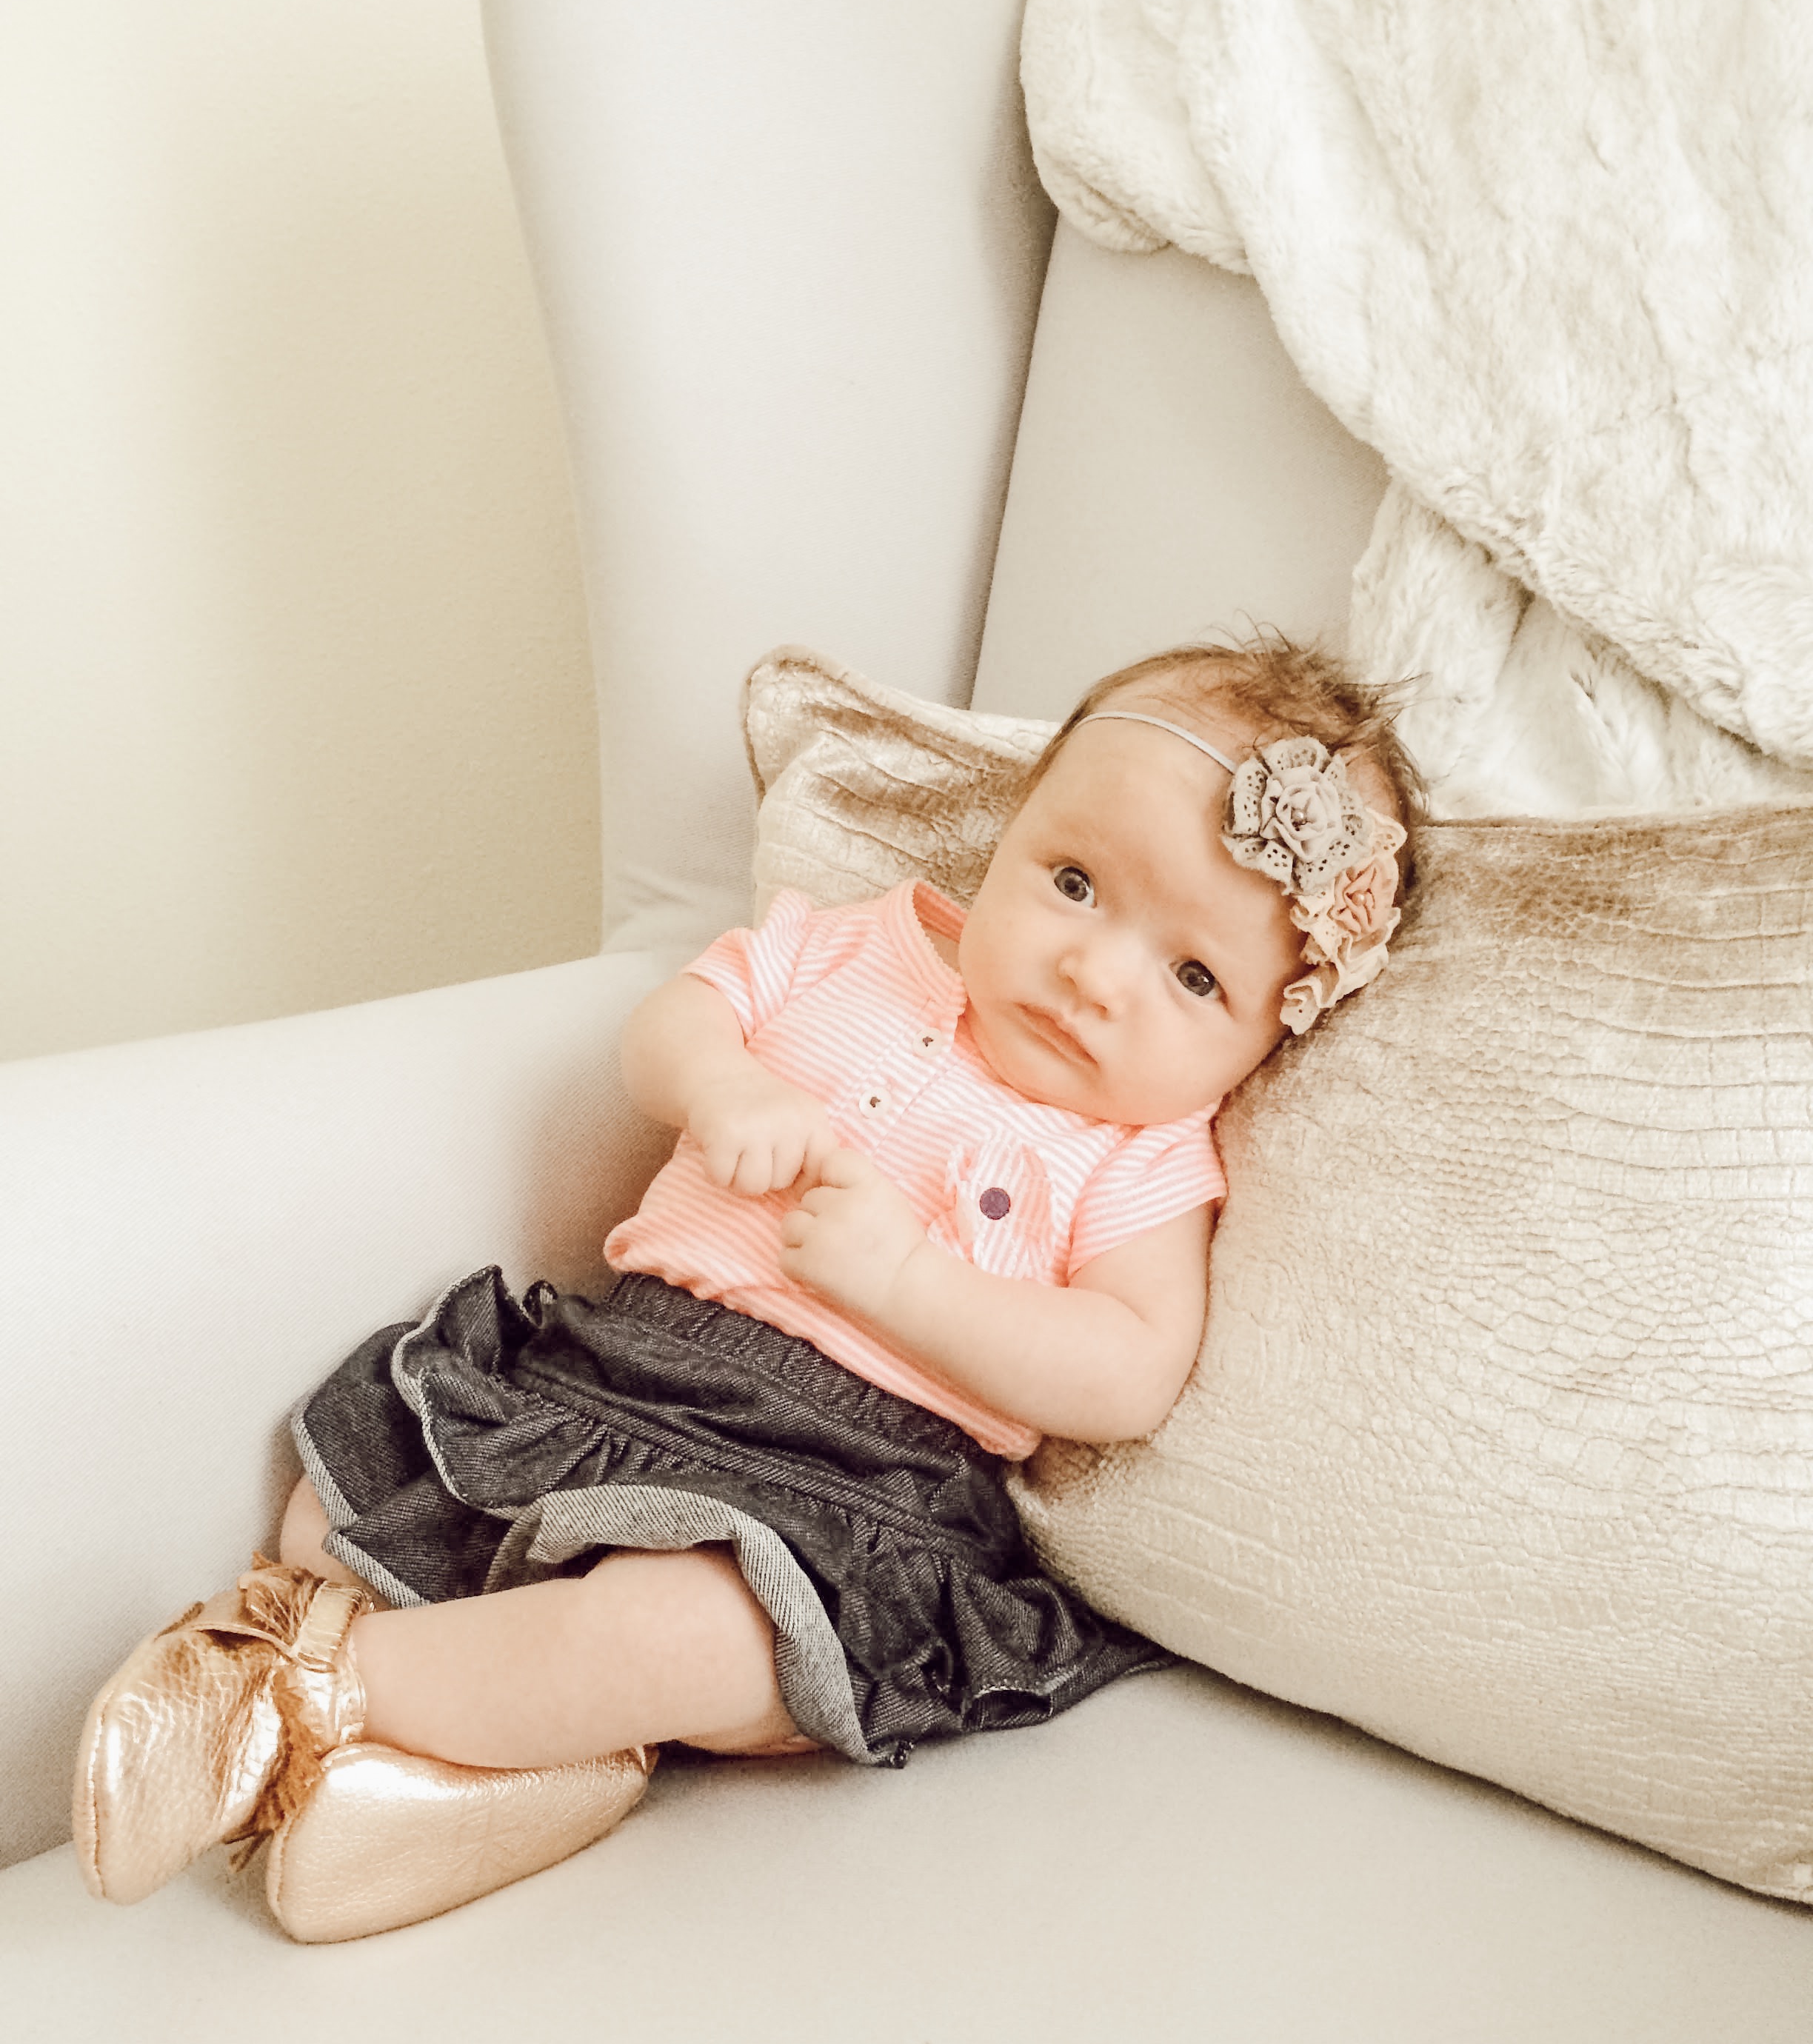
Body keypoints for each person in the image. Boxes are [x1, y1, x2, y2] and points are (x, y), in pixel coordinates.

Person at [73, 641, 1420, 1939]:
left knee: (701, 1639)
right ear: (1010, 833)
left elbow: (1127, 1370)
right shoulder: (859, 950)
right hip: (615, 1376)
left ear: (1265, 1036)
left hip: (847, 1491)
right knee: (346, 1497)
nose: (1096, 974)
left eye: (1195, 977)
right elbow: (675, 1024)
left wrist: (912, 1283)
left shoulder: (1141, 1158)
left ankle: (284, 1691)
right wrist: (725, 1086)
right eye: (1073, 883)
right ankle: (480, 1784)